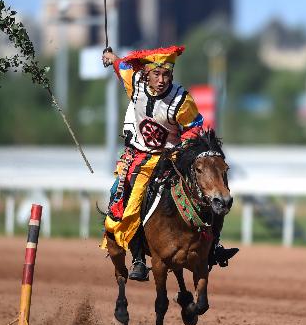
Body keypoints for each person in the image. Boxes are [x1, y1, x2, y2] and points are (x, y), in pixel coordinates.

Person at [101, 45, 238, 281]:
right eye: (156, 74)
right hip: (139, 158)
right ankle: (136, 258)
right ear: (146, 74)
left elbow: (194, 129)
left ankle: (213, 246)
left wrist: (181, 151)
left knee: (208, 193)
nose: (162, 80)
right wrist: (111, 57)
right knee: (127, 199)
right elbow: (120, 65)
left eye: (166, 75)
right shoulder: (134, 82)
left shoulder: (181, 100)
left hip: (172, 157)